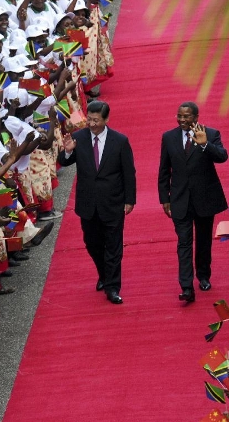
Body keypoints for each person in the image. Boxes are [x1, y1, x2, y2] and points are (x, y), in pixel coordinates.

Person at [58, 100, 136, 304]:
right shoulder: (78, 137)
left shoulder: (119, 141)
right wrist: (67, 151)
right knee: (92, 243)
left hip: (113, 202)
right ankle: (103, 273)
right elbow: (65, 161)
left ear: (106, 119)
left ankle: (112, 287)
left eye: (96, 120)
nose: (91, 124)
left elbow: (129, 172)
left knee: (114, 246)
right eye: (89, 119)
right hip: (88, 203)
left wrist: (130, 200)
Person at [158, 101, 228, 303]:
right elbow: (164, 170)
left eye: (186, 116)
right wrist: (165, 198)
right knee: (184, 242)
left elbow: (223, 157)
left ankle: (204, 276)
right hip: (180, 199)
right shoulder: (169, 137)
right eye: (179, 116)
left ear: (196, 117)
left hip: (205, 198)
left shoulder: (211, 134)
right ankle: (186, 287)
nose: (182, 120)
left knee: (204, 241)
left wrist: (205, 144)